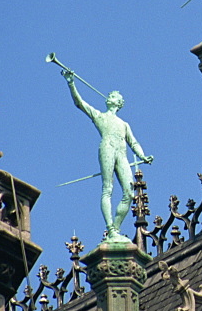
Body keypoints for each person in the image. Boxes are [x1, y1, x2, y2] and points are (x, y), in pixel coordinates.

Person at [63, 70, 152, 241]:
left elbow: (133, 143)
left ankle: (116, 228)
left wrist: (143, 156)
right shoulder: (100, 117)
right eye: (110, 95)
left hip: (122, 153)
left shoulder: (124, 124)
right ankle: (110, 227)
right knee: (108, 188)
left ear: (118, 103)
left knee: (129, 192)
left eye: (113, 96)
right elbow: (79, 103)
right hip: (108, 148)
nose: (109, 97)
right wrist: (71, 83)